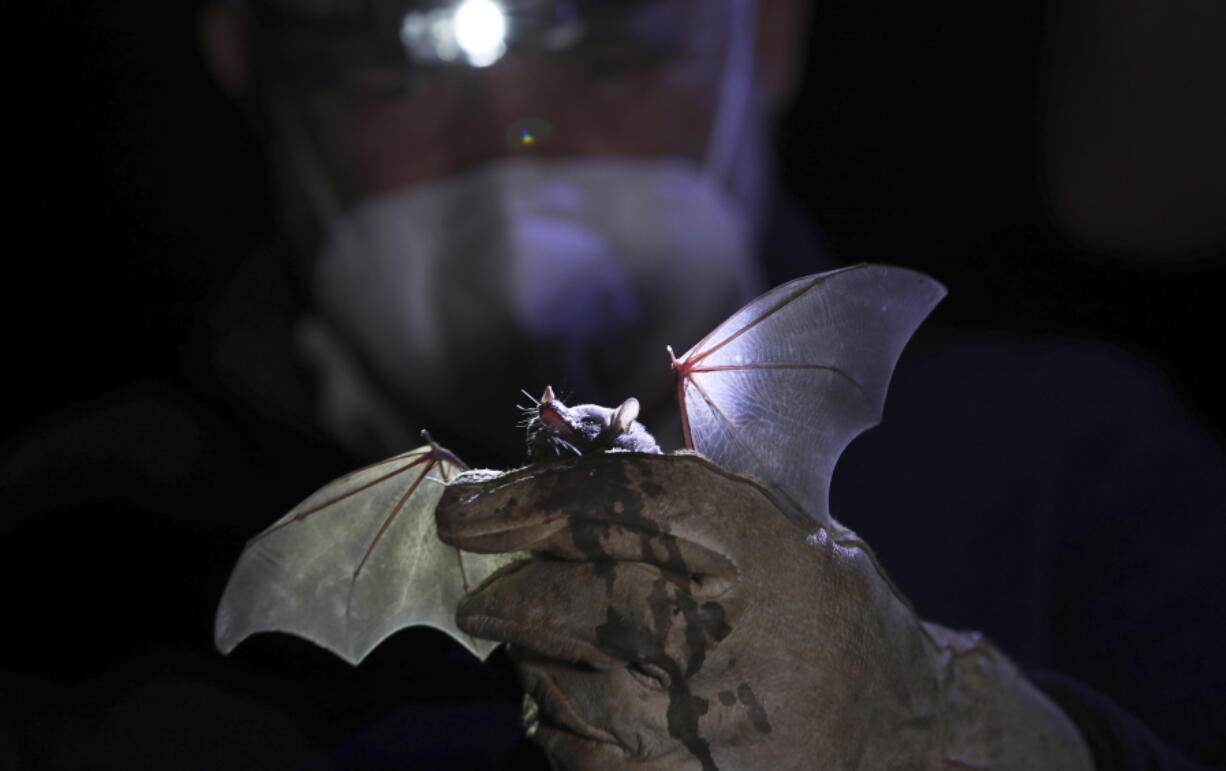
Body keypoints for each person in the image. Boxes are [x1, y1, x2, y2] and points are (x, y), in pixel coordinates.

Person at [2, 0, 1221, 768]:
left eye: (616, 41)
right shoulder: (77, 559)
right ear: (247, 50)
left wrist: (948, 732)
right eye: (395, 61)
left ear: (771, 32)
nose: (514, 139)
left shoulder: (1071, 459)